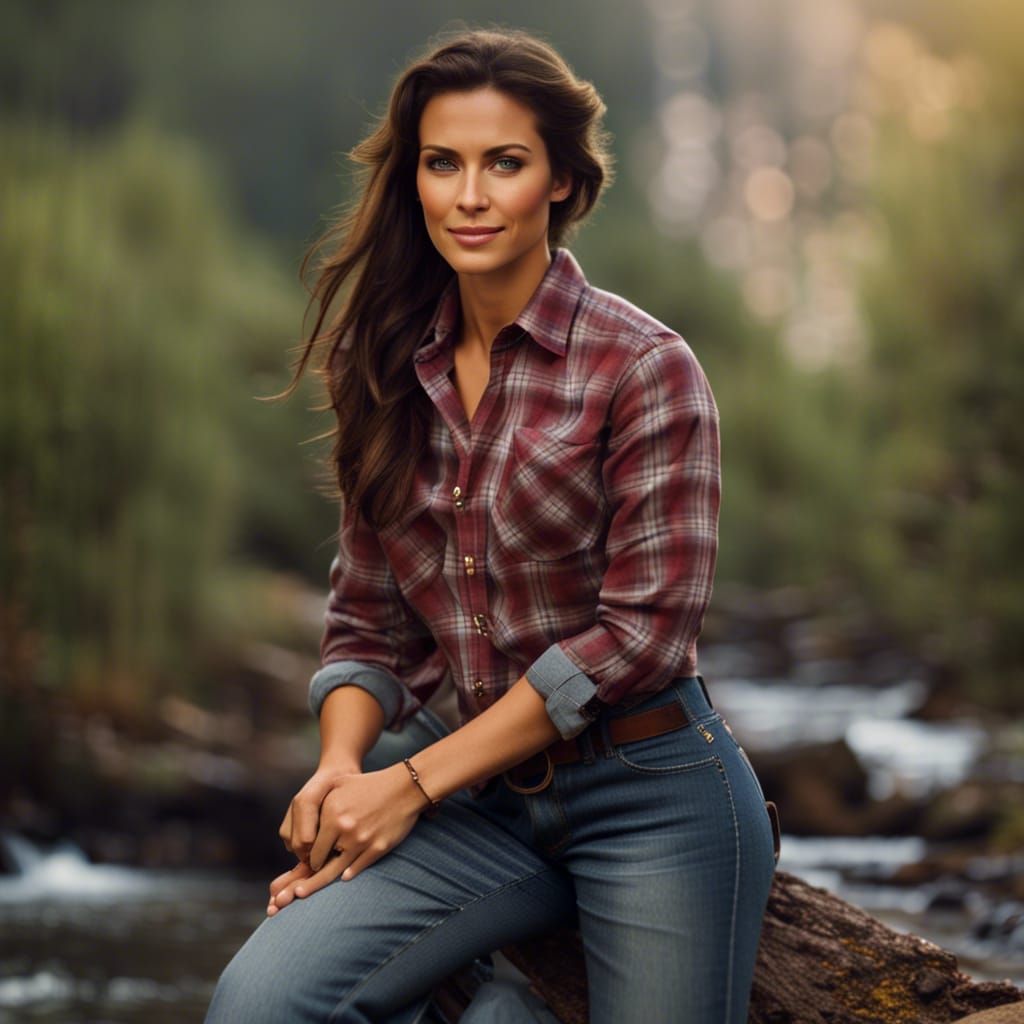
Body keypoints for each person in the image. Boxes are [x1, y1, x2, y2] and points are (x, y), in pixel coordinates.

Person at [205, 25, 777, 1024]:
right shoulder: (382, 365)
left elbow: (641, 638)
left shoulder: (646, 369)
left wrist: (411, 784)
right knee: (259, 1004)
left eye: (503, 163)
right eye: (442, 163)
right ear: (413, 177)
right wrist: (344, 768)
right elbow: (368, 621)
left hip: (646, 797)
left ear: (559, 179)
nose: (467, 196)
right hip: (472, 800)